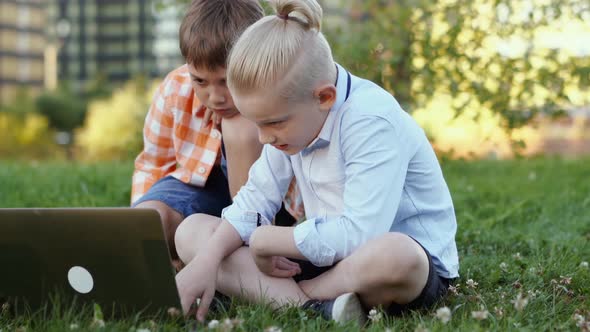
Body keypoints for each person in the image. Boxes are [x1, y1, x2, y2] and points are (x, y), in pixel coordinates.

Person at [174, 0, 459, 325]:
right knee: (191, 233)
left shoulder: (371, 120)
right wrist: (206, 262)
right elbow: (253, 201)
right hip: (326, 255)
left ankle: (298, 299)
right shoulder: (290, 118)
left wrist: (267, 241)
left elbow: (361, 235)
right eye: (256, 124)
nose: (264, 138)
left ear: (324, 98)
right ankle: (322, 308)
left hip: (388, 266)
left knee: (397, 255)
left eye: (273, 124)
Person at [131, 0, 300, 265]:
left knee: (241, 130)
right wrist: (139, 205)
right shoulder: (175, 88)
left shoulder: (284, 93)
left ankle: (241, 258)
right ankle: (156, 267)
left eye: (227, 81)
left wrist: (250, 117)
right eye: (200, 81)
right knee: (150, 216)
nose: (215, 97)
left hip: (266, 205)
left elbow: (306, 183)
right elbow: (154, 164)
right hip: (197, 186)